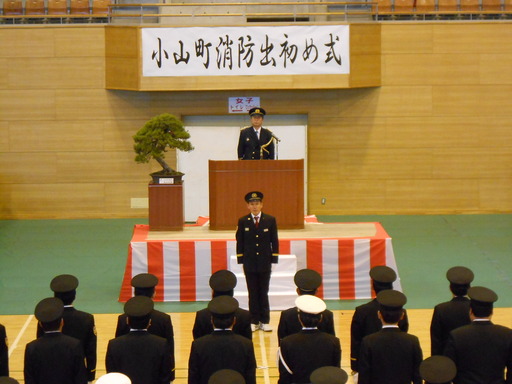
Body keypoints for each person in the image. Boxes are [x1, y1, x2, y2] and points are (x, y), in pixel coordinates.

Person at [443, 286, 512, 384]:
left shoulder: (457, 335)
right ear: (491, 312)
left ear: (470, 311)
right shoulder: (507, 334)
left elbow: (448, 369)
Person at [36, 274, 97, 383]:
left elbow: (41, 344)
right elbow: (90, 350)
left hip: (49, 373)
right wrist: (90, 374)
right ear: (74, 296)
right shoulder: (86, 318)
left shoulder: (47, 317)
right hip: (77, 372)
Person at [115, 273, 175, 381]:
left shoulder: (123, 319)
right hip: (155, 374)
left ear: (134, 293)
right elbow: (169, 349)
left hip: (127, 374)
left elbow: (118, 347)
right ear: (154, 293)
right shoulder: (163, 319)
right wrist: (170, 373)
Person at [350, 265, 409, 374]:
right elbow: (403, 335)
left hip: (369, 364)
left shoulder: (362, 311)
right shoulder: (401, 311)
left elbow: (356, 341)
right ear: (391, 287)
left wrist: (355, 365)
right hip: (396, 365)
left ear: (373, 286)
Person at [358, 290, 423, 384]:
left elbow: (364, 375)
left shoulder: (368, 341)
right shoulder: (412, 341)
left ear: (379, 315)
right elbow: (417, 375)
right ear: (402, 316)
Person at [236, 191, 279, 332]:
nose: (254, 206)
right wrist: (240, 258)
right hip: (249, 263)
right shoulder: (243, 221)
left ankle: (265, 320)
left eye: (257, 203)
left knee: (263, 292)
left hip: (264, 262)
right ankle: (254, 320)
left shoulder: (270, 220)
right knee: (252, 292)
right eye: (252, 204)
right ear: (247, 206)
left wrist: (274, 258)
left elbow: (274, 240)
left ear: (262, 204)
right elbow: (240, 241)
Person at [188, 296, 257, 384]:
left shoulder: (198, 345)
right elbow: (250, 377)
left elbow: (193, 376)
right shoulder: (246, 344)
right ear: (234, 321)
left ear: (212, 320)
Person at [106, 296, 173, 384]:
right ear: (149, 322)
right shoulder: (161, 344)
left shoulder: (114, 345)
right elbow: (165, 375)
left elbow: (112, 375)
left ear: (127, 321)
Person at [278, 295, 341, 384]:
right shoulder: (333, 341)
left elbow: (285, 375)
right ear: (320, 319)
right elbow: (335, 371)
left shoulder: (287, 342)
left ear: (299, 318)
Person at [24, 297, 87, 384]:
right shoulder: (74, 345)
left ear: (41, 324)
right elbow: (80, 378)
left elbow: (29, 379)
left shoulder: (31, 347)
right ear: (62, 322)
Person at [277, 269, 335, 344]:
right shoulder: (327, 315)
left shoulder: (286, 315)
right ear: (316, 291)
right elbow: (331, 342)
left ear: (297, 291)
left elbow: (282, 344)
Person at [192, 269, 252, 340]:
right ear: (232, 292)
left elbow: (197, 342)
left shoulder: (202, 315)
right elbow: (247, 343)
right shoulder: (244, 316)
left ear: (213, 293)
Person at [430, 266, 474, 355]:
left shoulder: (441, 309)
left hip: (448, 360)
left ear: (450, 288)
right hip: (471, 358)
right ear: (469, 288)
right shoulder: (475, 307)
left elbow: (436, 341)